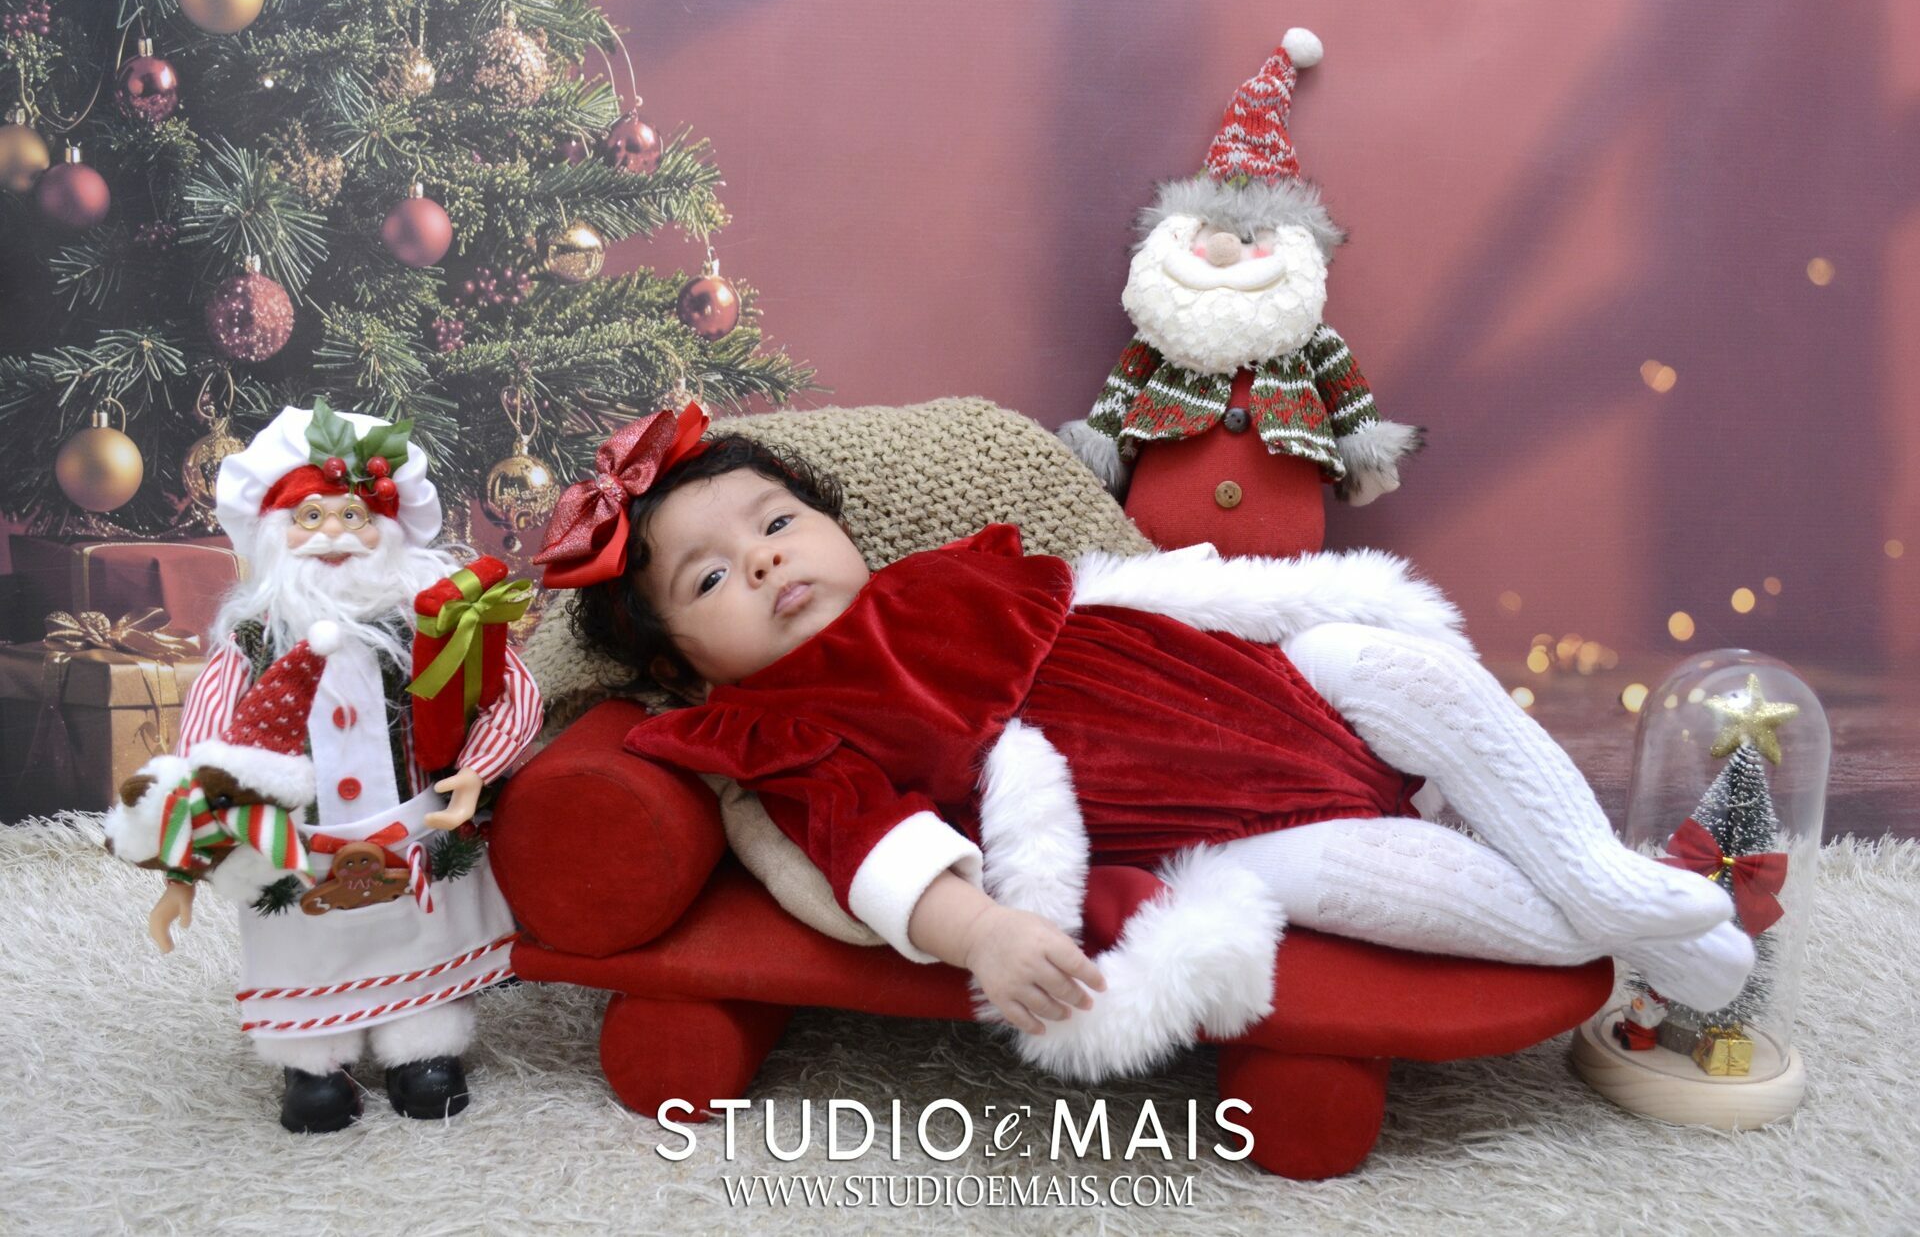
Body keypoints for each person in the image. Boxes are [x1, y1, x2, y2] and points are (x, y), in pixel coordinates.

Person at [538, 402, 1751, 1081]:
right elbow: (869, 850)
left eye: (777, 523)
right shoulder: (780, 729)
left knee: (1400, 664)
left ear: (835, 526)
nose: (763, 561)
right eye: (711, 578)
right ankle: (1632, 932)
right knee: (1389, 882)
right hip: (1253, 830)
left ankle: (1601, 870)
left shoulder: (942, 577)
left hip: (1284, 688)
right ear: (682, 664)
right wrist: (985, 929)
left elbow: (1129, 591)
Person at [105, 402, 542, 1131]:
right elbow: (205, 756)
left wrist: (477, 770)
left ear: (390, 530)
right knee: (302, 948)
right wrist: (184, 869)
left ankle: (422, 1051)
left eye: (353, 516)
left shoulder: (432, 627)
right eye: (310, 517)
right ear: (275, 535)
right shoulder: (251, 643)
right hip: (293, 849)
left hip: (413, 832)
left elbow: (510, 692)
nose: (333, 533)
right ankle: (313, 1066)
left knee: (416, 940)